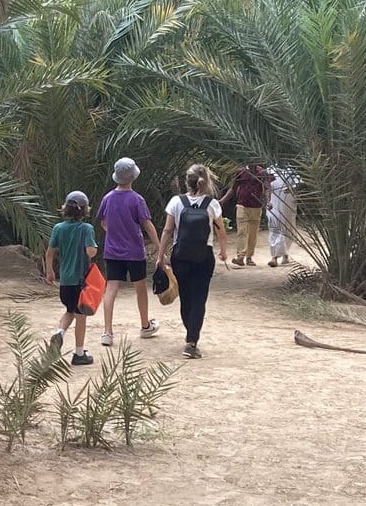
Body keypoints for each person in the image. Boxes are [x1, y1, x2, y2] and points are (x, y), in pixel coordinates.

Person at [156, 163, 229, 359]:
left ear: (186, 181)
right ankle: (192, 341)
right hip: (204, 256)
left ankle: (190, 333)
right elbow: (221, 231)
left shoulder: (176, 202)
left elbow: (168, 230)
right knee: (199, 298)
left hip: (181, 255)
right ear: (206, 181)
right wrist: (223, 252)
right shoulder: (212, 204)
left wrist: (160, 255)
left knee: (186, 297)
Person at [95, 156, 160, 345]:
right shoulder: (137, 199)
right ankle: (144, 325)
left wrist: (114, 231)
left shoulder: (107, 198)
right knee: (140, 287)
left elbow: (103, 222)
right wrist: (159, 248)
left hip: (112, 251)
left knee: (111, 288)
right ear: (133, 177)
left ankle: (107, 332)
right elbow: (148, 225)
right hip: (134, 251)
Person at [45, 191, 98, 366]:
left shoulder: (58, 228)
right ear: (84, 210)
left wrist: (50, 272)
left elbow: (50, 252)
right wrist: (91, 249)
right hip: (80, 281)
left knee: (70, 311)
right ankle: (79, 353)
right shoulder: (86, 229)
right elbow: (91, 251)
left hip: (65, 281)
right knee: (81, 316)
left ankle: (59, 333)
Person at [225, 161, 270, 267]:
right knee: (241, 231)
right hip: (242, 205)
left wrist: (268, 201)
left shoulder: (262, 172)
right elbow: (233, 189)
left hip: (256, 206)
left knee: (253, 233)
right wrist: (222, 201)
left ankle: (249, 257)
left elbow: (267, 188)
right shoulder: (241, 172)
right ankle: (241, 256)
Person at [266, 164, 299, 267]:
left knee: (287, 229)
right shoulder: (270, 170)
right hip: (274, 204)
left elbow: (297, 187)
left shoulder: (292, 171)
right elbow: (267, 187)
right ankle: (274, 257)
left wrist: (290, 189)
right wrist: (268, 201)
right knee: (274, 228)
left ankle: (285, 254)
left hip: (288, 203)